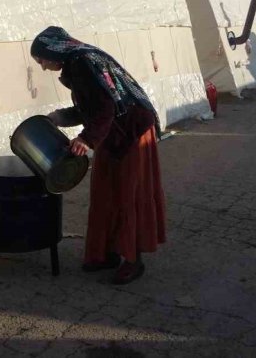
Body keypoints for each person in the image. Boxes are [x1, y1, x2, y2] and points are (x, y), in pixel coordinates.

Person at [32, 26, 165, 285]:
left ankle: (133, 259)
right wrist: (59, 117)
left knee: (129, 195)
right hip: (112, 133)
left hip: (131, 133)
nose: (43, 67)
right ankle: (108, 252)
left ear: (53, 50)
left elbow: (106, 107)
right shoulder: (77, 62)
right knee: (106, 192)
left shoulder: (83, 62)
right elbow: (91, 106)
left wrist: (86, 139)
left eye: (41, 60)